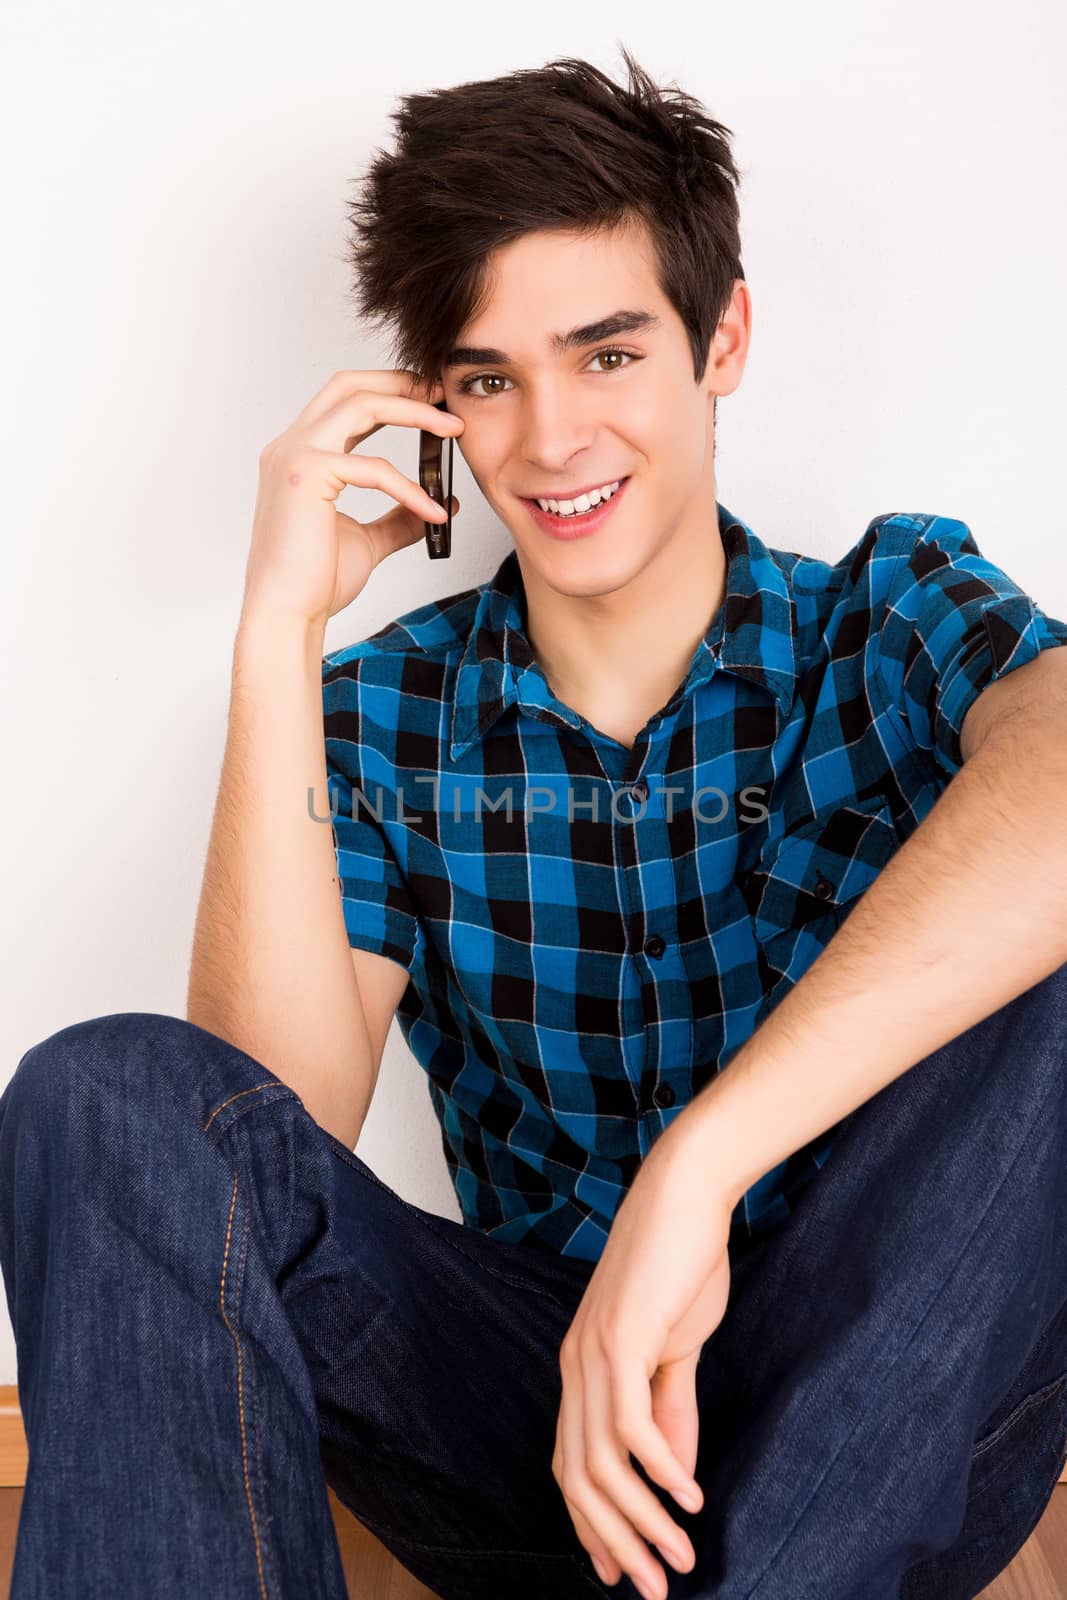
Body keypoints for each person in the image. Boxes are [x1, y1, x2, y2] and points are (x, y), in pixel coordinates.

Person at [2, 44, 1067, 1600]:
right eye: (490, 378)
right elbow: (244, 1158)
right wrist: (275, 627)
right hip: (532, 1423)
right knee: (107, 1098)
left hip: (881, 1409)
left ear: (724, 341)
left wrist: (695, 1179)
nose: (552, 441)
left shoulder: (896, 615)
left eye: (609, 355)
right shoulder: (383, 715)